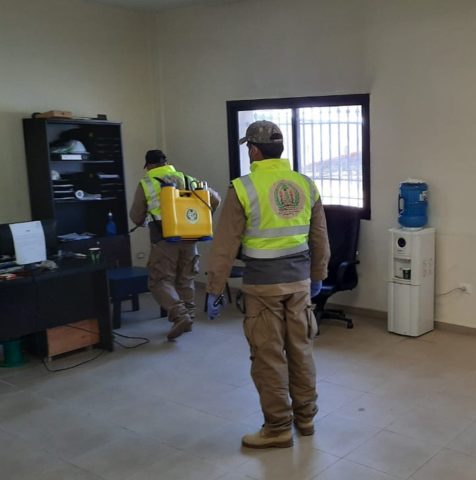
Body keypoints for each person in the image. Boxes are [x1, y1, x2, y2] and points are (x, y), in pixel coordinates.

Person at [205, 121, 329, 449]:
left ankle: (277, 428)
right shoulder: (305, 184)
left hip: (263, 288)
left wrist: (214, 288)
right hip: (299, 284)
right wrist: (318, 275)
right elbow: (319, 237)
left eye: (249, 147)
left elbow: (225, 244)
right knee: (301, 351)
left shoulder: (243, 188)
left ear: (255, 151)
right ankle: (306, 419)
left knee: (268, 357)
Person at [129, 149, 220, 341]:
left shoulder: (147, 182)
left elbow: (136, 216)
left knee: (159, 281)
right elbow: (215, 199)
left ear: (148, 165)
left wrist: (145, 218)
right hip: (191, 236)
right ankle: (189, 317)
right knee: (185, 279)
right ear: (166, 162)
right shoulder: (187, 178)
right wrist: (203, 216)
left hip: (165, 239)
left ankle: (180, 315)